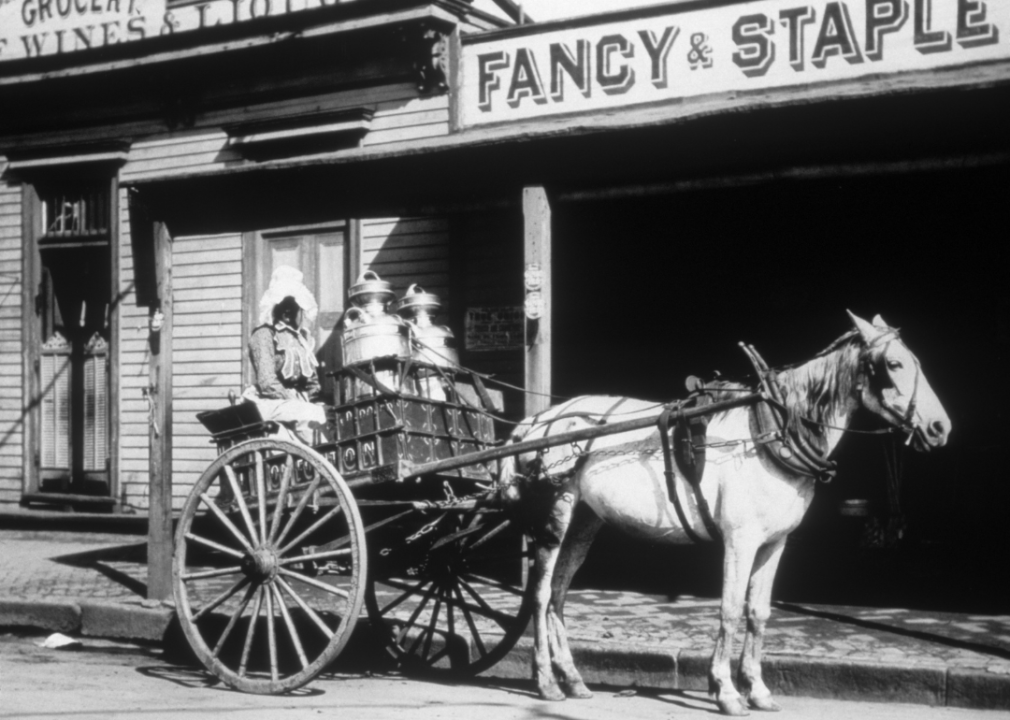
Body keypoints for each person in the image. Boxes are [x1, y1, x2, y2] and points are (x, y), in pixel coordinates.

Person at [243, 265, 327, 445]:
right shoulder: (263, 335)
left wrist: (317, 400)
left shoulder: (301, 338)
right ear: (288, 313)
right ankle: (320, 458)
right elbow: (267, 383)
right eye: (300, 310)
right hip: (269, 402)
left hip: (295, 403)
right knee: (308, 414)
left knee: (324, 414)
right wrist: (296, 400)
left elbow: (312, 381)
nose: (302, 315)